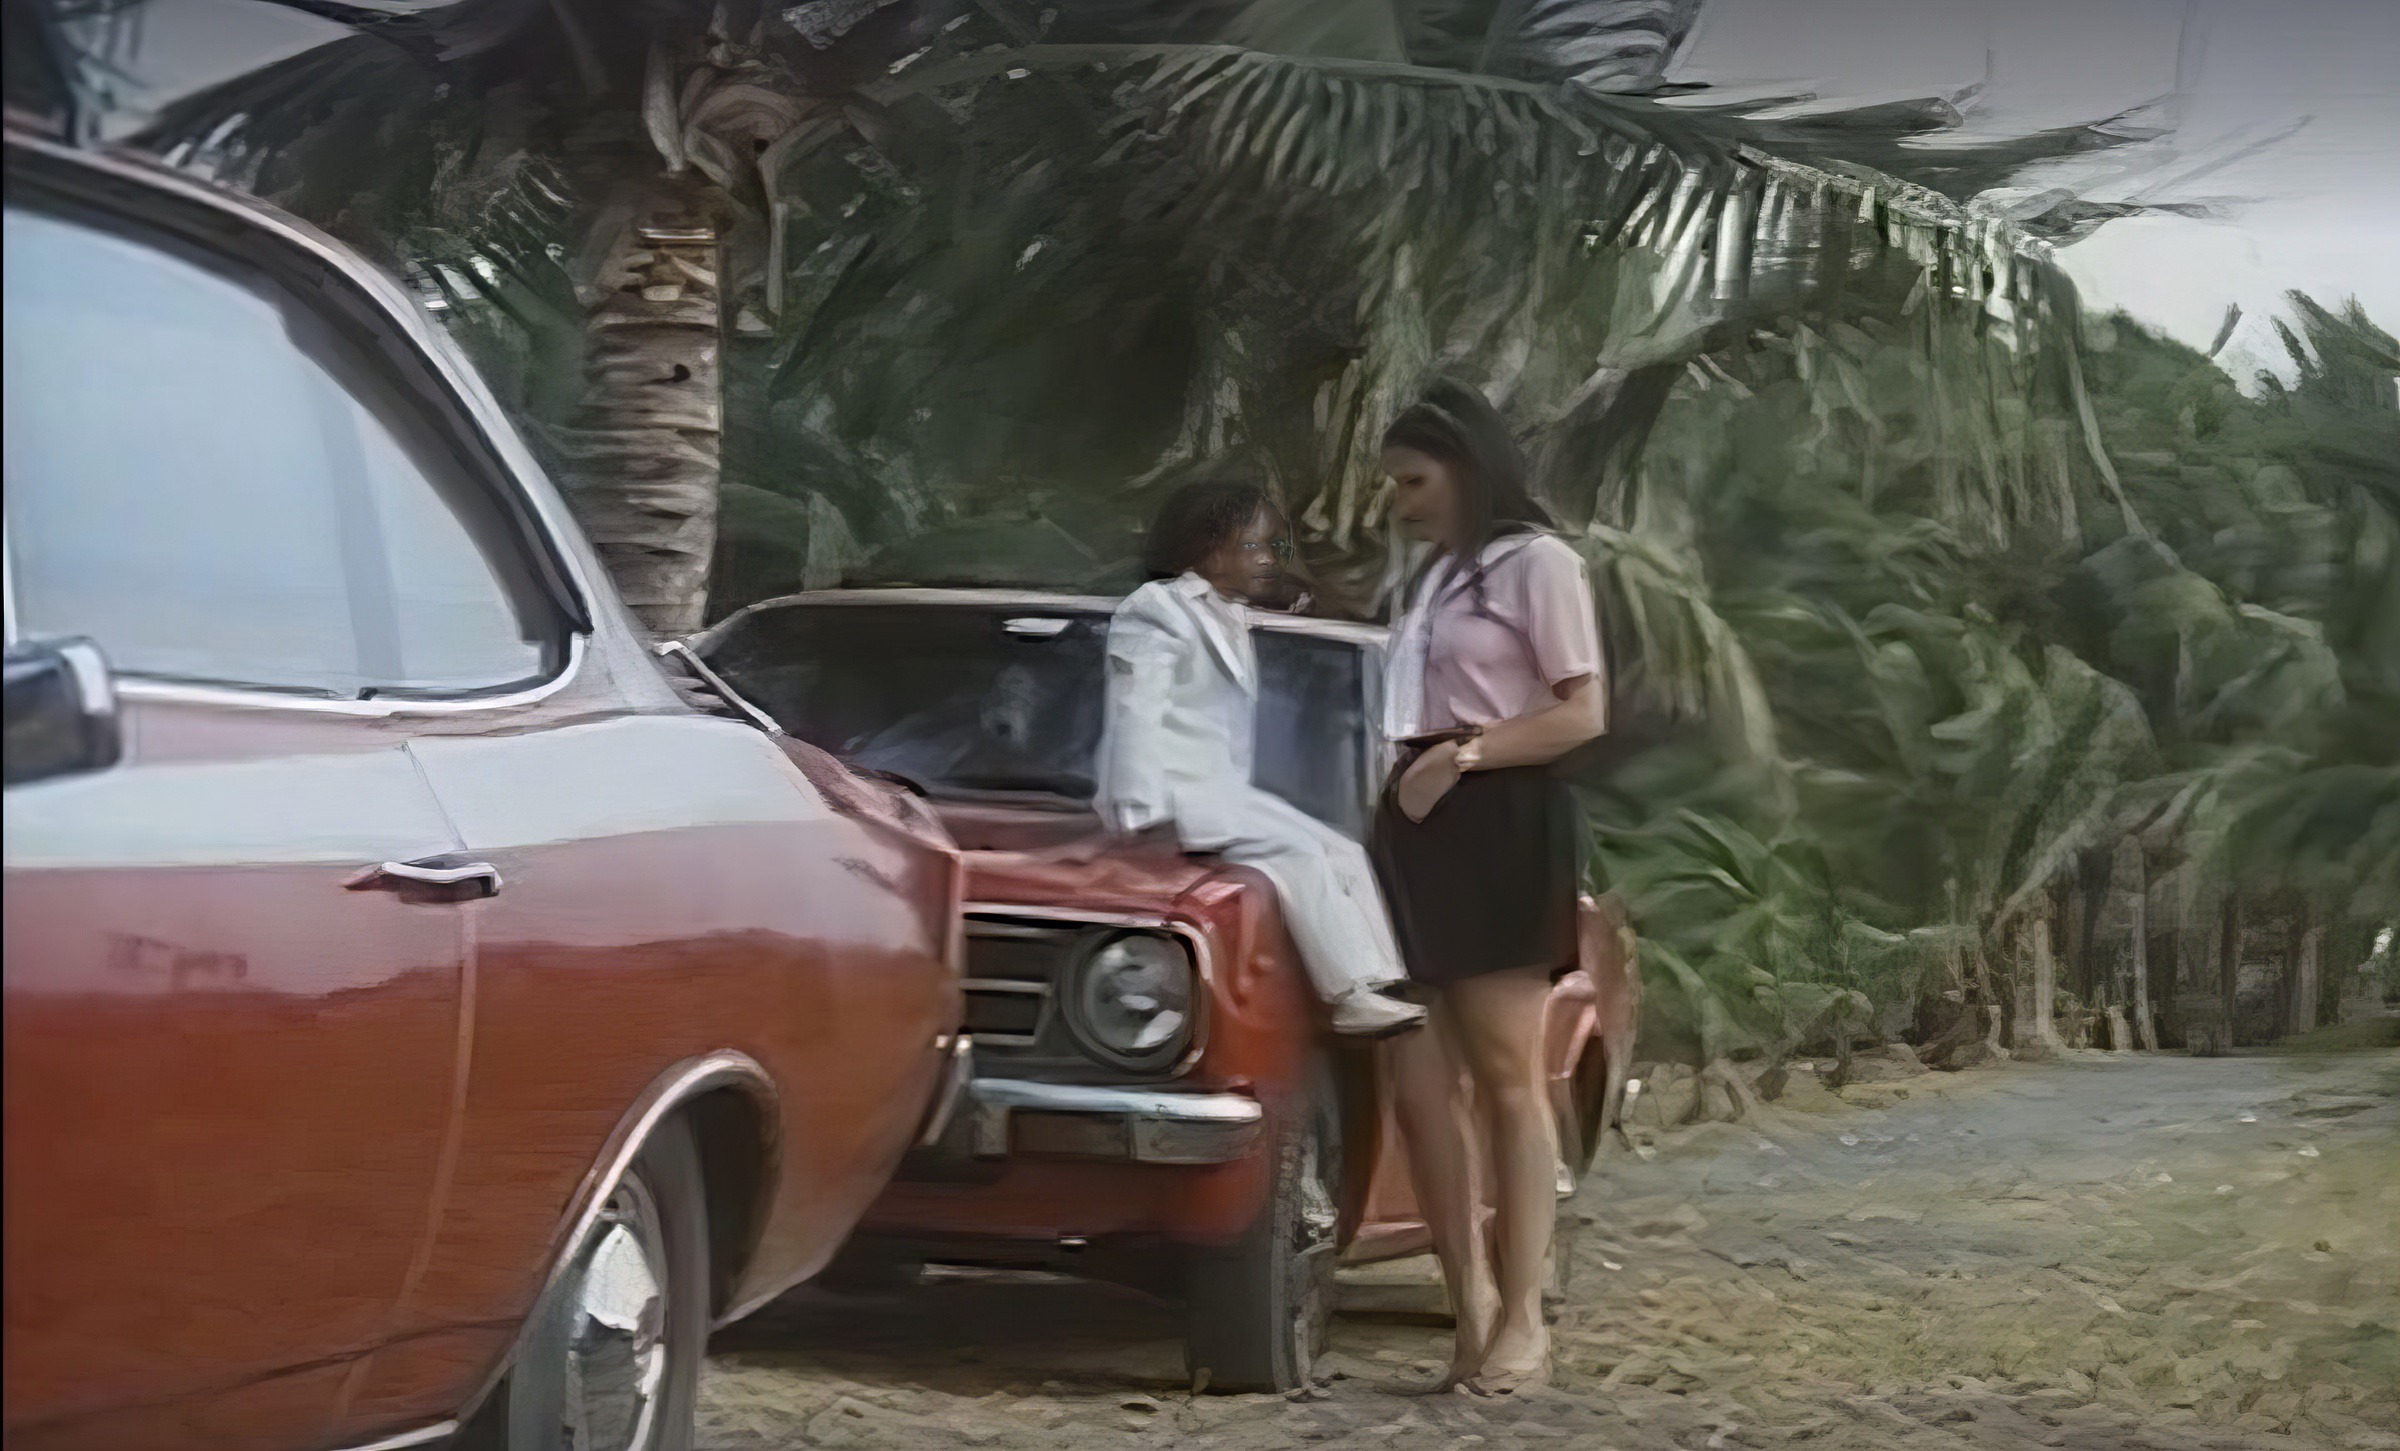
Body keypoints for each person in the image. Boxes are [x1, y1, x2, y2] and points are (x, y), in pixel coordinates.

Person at [1370, 381, 1608, 1394]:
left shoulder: (1537, 563)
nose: (1398, 502)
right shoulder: (1432, 579)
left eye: (1413, 481)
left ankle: (1524, 1320)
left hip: (1498, 810)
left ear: (1466, 469)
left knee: (1508, 1074)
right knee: (1418, 1082)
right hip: (1414, 816)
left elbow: (1582, 711)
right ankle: (1465, 1308)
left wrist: (1465, 755)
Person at [1096, 475, 1429, 1037]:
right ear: (1209, 550)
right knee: (1302, 853)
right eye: (1253, 545)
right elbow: (1135, 710)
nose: (1269, 559)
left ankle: (1379, 981)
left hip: (1223, 793)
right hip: (1180, 797)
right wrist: (1139, 809)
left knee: (1341, 848)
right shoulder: (1156, 608)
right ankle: (1348, 994)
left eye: (1274, 545)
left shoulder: (1228, 612)